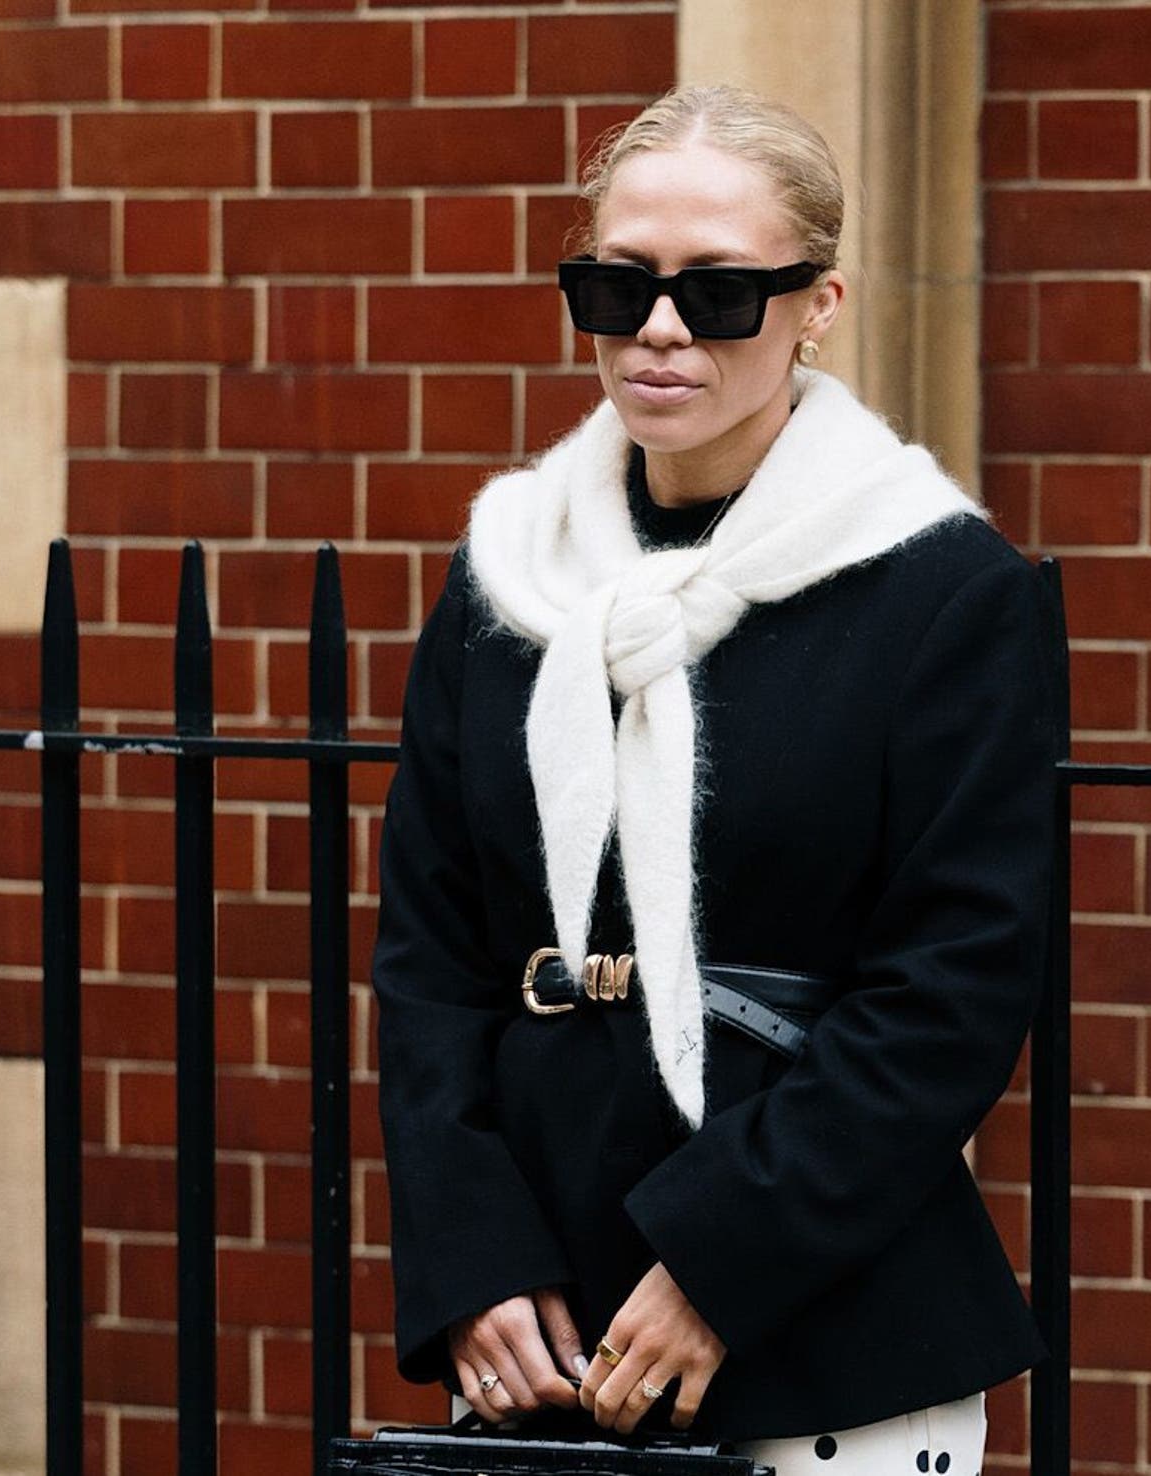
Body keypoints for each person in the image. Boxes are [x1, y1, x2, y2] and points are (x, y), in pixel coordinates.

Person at [371, 85, 1056, 1476]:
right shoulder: (509, 574)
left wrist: (719, 1262)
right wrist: (471, 1254)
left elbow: (955, 987)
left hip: (826, 1325)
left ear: (818, 303)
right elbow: (431, 952)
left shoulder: (945, 589)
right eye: (616, 286)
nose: (660, 330)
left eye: (721, 292)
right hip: (541, 1330)